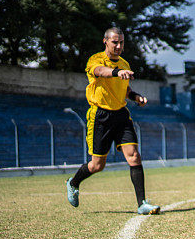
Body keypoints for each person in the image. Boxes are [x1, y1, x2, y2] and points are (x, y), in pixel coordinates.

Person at [65, 27, 160, 215]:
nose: (118, 46)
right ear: (105, 41)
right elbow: (101, 71)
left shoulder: (124, 63)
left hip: (121, 115)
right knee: (97, 166)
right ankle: (73, 182)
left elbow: (125, 90)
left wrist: (136, 97)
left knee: (134, 156)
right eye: (114, 42)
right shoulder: (96, 60)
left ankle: (142, 204)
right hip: (100, 116)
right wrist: (117, 72)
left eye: (121, 42)